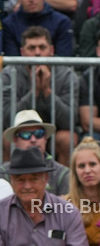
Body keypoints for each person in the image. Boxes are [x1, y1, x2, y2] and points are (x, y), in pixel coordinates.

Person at [1, 28, 74, 163]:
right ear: (22, 52)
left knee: (67, 138)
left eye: (42, 47)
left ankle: (64, 182)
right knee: (6, 139)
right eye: (32, 48)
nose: (37, 53)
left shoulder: (66, 75)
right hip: (21, 132)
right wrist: (33, 92)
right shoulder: (8, 74)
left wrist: (47, 92)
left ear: (51, 50)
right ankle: (8, 182)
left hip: (54, 131)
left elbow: (70, 120)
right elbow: (6, 120)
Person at [2, 0, 74, 70]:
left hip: (56, 80)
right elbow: (12, 64)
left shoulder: (62, 22)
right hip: (20, 80)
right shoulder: (9, 24)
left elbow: (64, 62)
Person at [0, 109, 71, 194]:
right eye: (26, 135)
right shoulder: (3, 173)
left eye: (39, 134)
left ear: (45, 138)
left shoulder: (62, 174)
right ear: (15, 140)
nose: (33, 139)